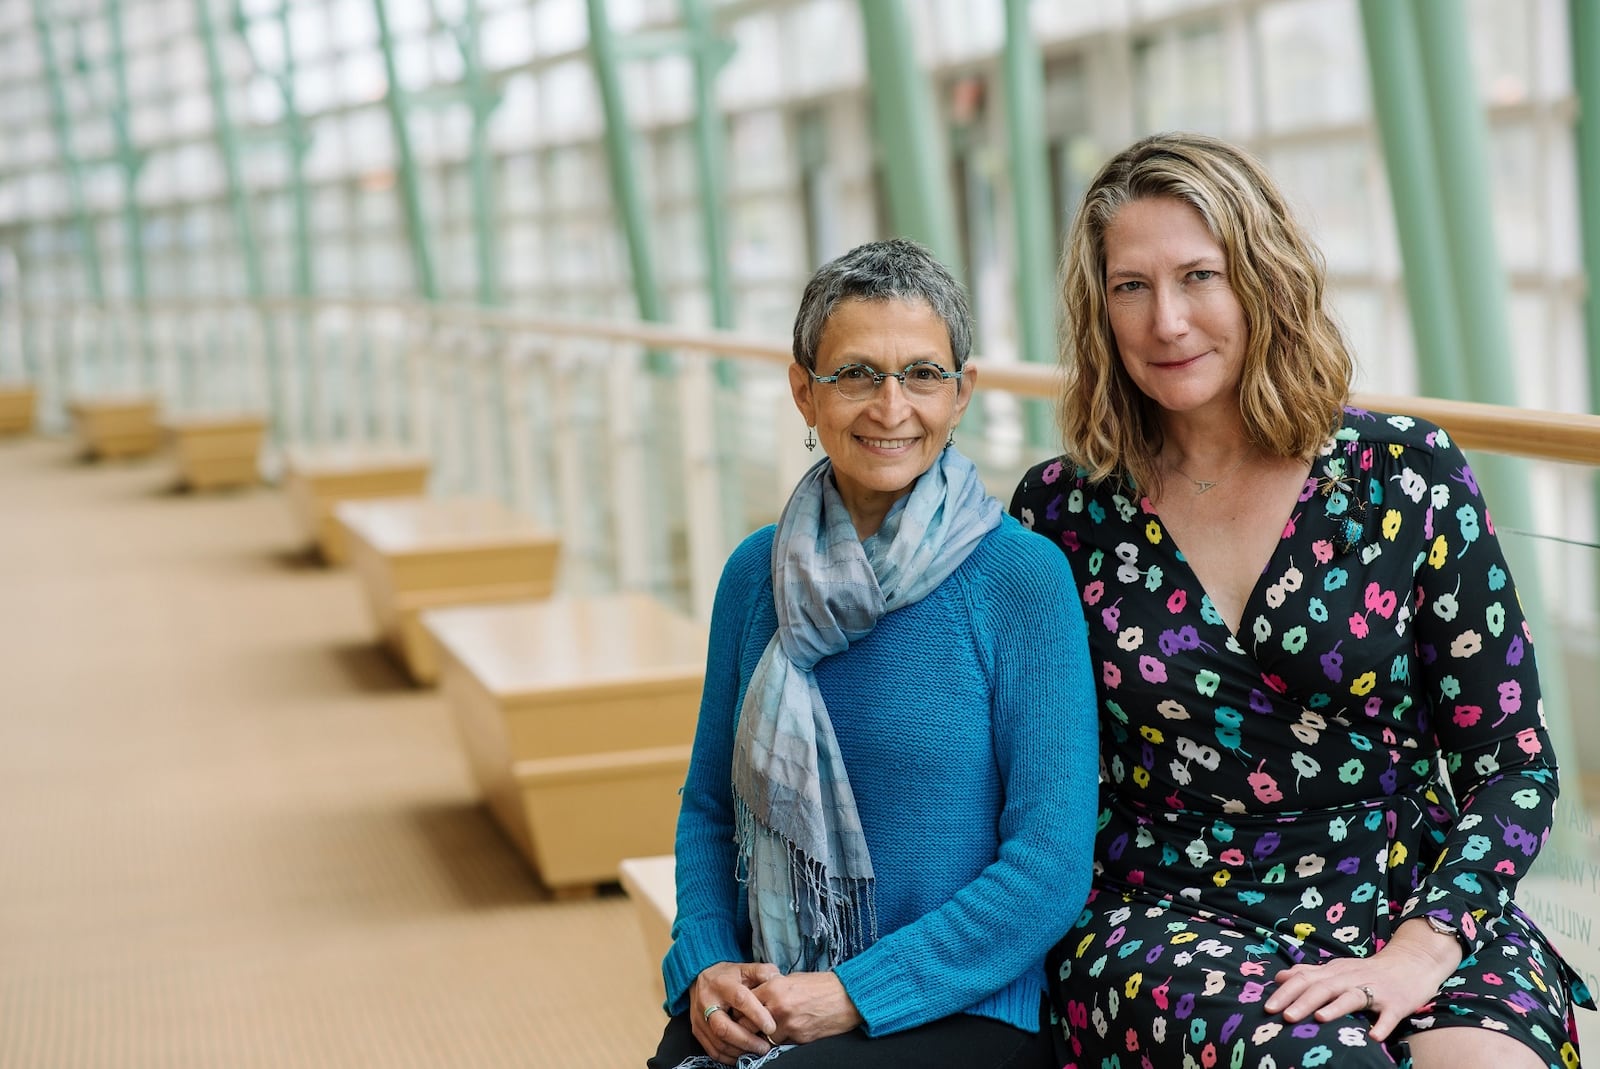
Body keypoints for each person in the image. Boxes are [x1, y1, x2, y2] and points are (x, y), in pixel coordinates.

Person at [1010, 132, 1595, 1069]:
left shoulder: (1406, 473)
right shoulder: (1062, 511)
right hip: (1167, 913)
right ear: (1098, 311)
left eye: (1200, 275)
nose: (1167, 321)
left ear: (1262, 281)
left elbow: (1513, 764)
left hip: (1410, 892)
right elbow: (1024, 773)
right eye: (1132, 286)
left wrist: (1416, 951)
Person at [648, 237, 1100, 1069]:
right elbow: (710, 805)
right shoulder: (755, 573)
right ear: (802, 391)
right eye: (856, 373)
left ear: (962, 394)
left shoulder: (1022, 579)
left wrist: (855, 991)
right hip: (770, 991)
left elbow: (1049, 865)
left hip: (961, 1003)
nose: (891, 406)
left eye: (923, 373)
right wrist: (706, 962)